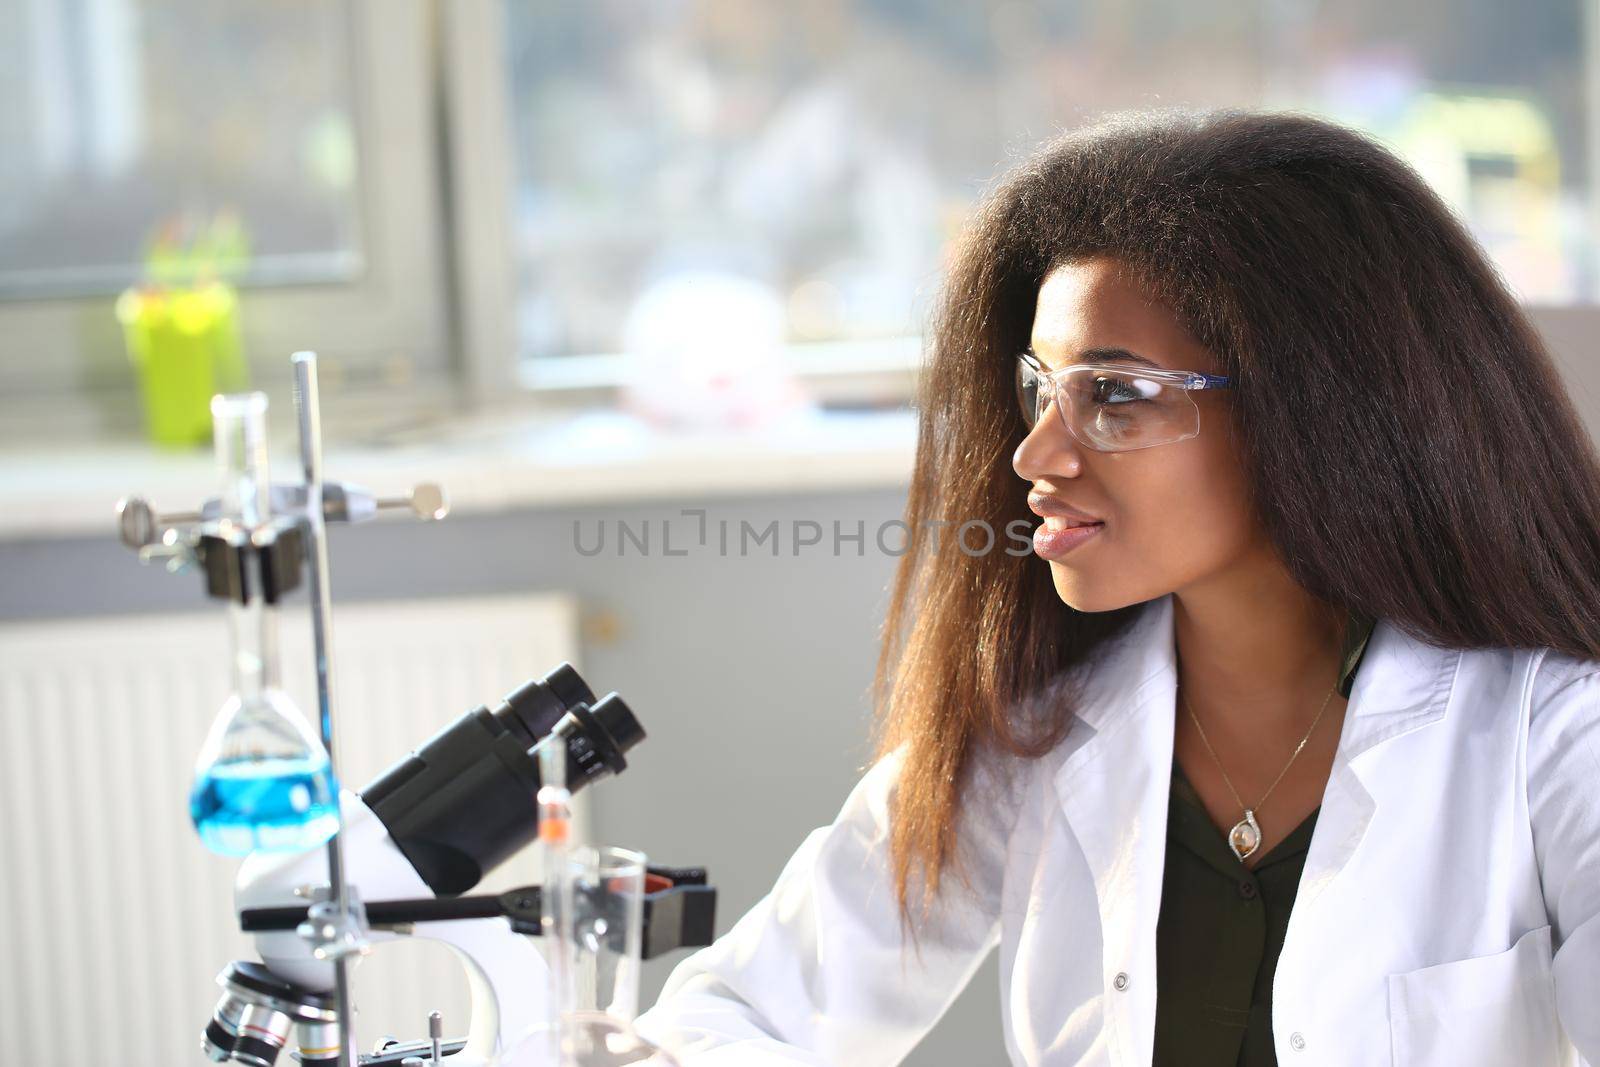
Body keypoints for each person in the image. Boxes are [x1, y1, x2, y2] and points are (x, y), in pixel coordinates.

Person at [631, 107, 1600, 1066]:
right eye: (1038, 389)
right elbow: (718, 1022)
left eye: (1115, 394)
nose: (1033, 452)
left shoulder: (1552, 731)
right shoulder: (1030, 734)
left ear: (1314, 409)